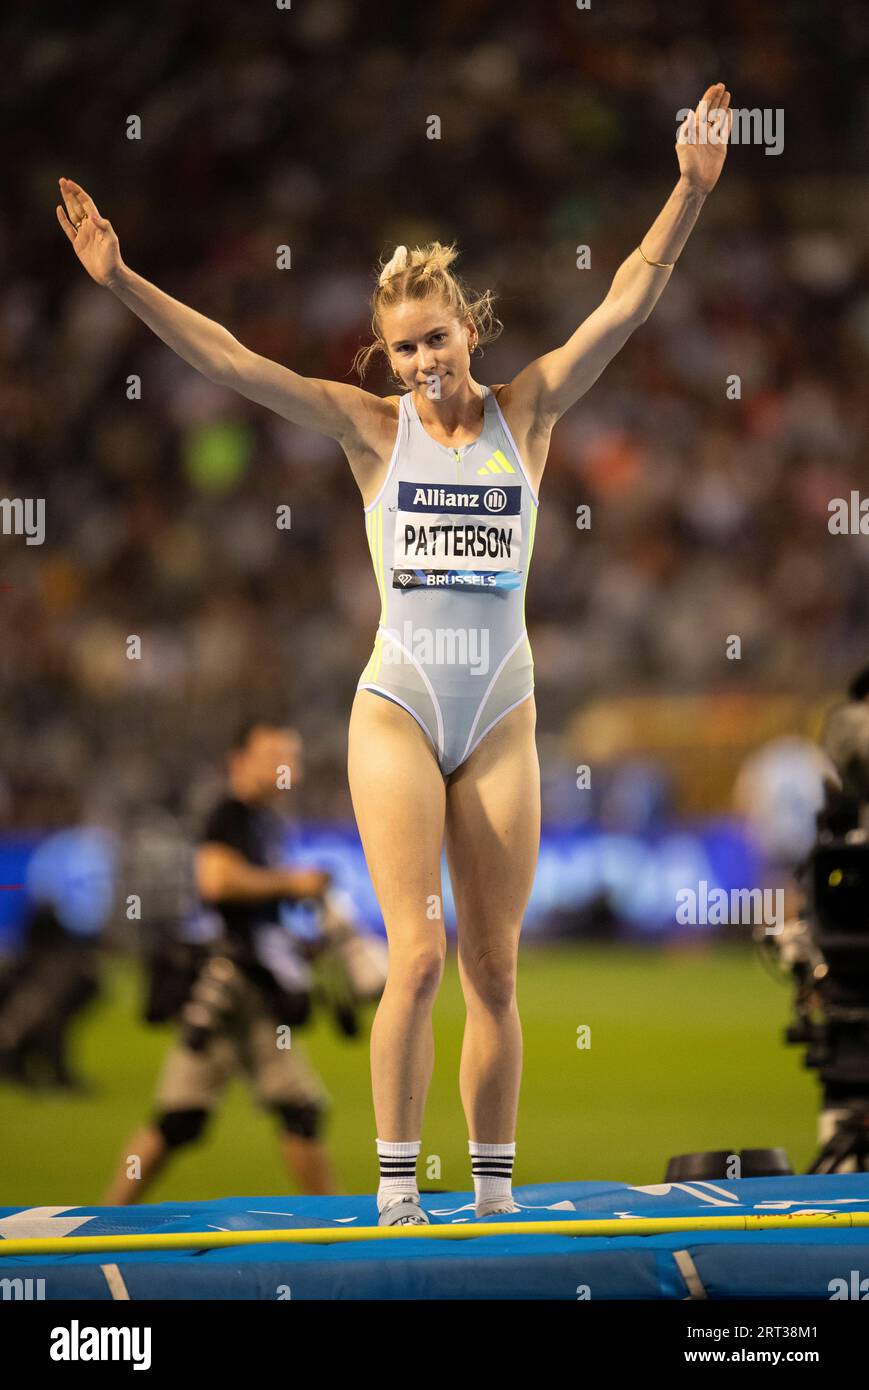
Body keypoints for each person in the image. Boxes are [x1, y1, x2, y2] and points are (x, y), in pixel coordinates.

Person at [61, 82, 732, 1224]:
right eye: (402, 347)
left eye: (436, 337)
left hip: (504, 711)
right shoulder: (372, 432)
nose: (422, 359)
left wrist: (685, 190)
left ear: (470, 325)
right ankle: (392, 1196)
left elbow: (625, 300)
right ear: (382, 356)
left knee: (496, 973)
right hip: (401, 709)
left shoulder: (532, 411)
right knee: (414, 956)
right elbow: (230, 363)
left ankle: (493, 1198)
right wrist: (123, 282)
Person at [102, 721, 339, 1204]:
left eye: (291, 756)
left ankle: (104, 1218)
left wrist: (296, 940)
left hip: (243, 980)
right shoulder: (228, 814)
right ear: (239, 761)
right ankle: (339, 1223)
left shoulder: (262, 821)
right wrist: (291, 884)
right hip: (230, 984)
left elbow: (240, 906)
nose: (286, 766)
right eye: (273, 754)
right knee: (294, 1109)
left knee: (184, 1118)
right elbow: (216, 882)